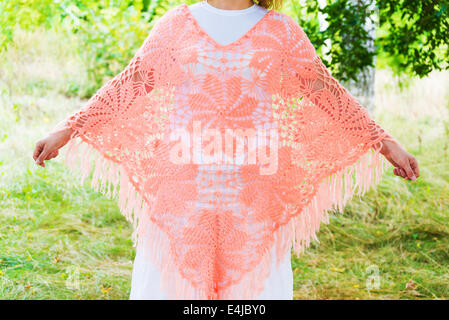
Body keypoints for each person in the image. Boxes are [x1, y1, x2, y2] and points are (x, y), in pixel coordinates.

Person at [32, 0, 419, 300]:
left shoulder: (282, 31)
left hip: (252, 195)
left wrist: (386, 144)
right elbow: (129, 85)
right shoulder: (175, 25)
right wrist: (67, 130)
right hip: (184, 191)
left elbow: (326, 93)